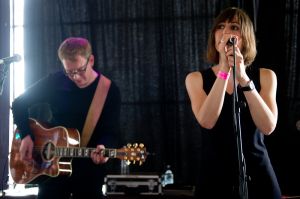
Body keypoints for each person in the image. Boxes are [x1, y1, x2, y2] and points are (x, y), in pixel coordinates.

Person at [185, 7, 281, 199]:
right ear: (214, 36)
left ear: (245, 37)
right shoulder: (196, 79)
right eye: (220, 26)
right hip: (214, 176)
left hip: (258, 174)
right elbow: (207, 121)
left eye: (234, 27)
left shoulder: (266, 76)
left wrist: (244, 78)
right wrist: (223, 70)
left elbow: (268, 126)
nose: (226, 31)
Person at [11, 37, 121, 199]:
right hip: (50, 169)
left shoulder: (108, 90)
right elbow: (19, 103)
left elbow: (111, 131)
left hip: (88, 173)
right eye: (69, 72)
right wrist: (26, 135)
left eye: (80, 70)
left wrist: (105, 146)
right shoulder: (55, 82)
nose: (76, 77)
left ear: (91, 60)